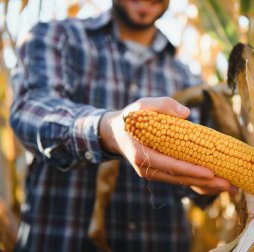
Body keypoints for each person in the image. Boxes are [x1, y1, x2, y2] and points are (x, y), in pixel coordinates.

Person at [9, 0, 233, 251]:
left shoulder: (189, 78)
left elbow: (193, 190)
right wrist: (108, 130)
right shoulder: (55, 37)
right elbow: (31, 110)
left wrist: (207, 181)